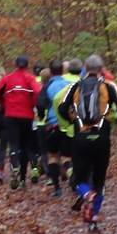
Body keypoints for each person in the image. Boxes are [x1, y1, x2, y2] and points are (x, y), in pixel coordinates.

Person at [58, 54, 117, 233]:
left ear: (85, 68)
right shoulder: (109, 86)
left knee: (77, 179)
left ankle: (86, 194)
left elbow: (61, 107)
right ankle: (93, 221)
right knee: (99, 179)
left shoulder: (75, 86)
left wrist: (72, 119)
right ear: (102, 69)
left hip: (80, 137)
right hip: (102, 138)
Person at [0, 55, 41, 190]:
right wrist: (32, 104)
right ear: (27, 66)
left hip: (11, 115)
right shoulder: (30, 78)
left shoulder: (7, 78)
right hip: (27, 116)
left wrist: (5, 103)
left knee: (14, 144)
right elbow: (37, 91)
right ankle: (22, 179)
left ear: (15, 65)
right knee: (25, 147)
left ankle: (14, 168)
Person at [35, 59, 72, 197]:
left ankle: (57, 188)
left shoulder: (47, 87)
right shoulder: (70, 85)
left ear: (50, 72)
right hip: (68, 126)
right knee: (67, 157)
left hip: (52, 125)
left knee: (52, 157)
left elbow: (39, 104)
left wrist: (40, 115)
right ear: (63, 71)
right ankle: (72, 177)